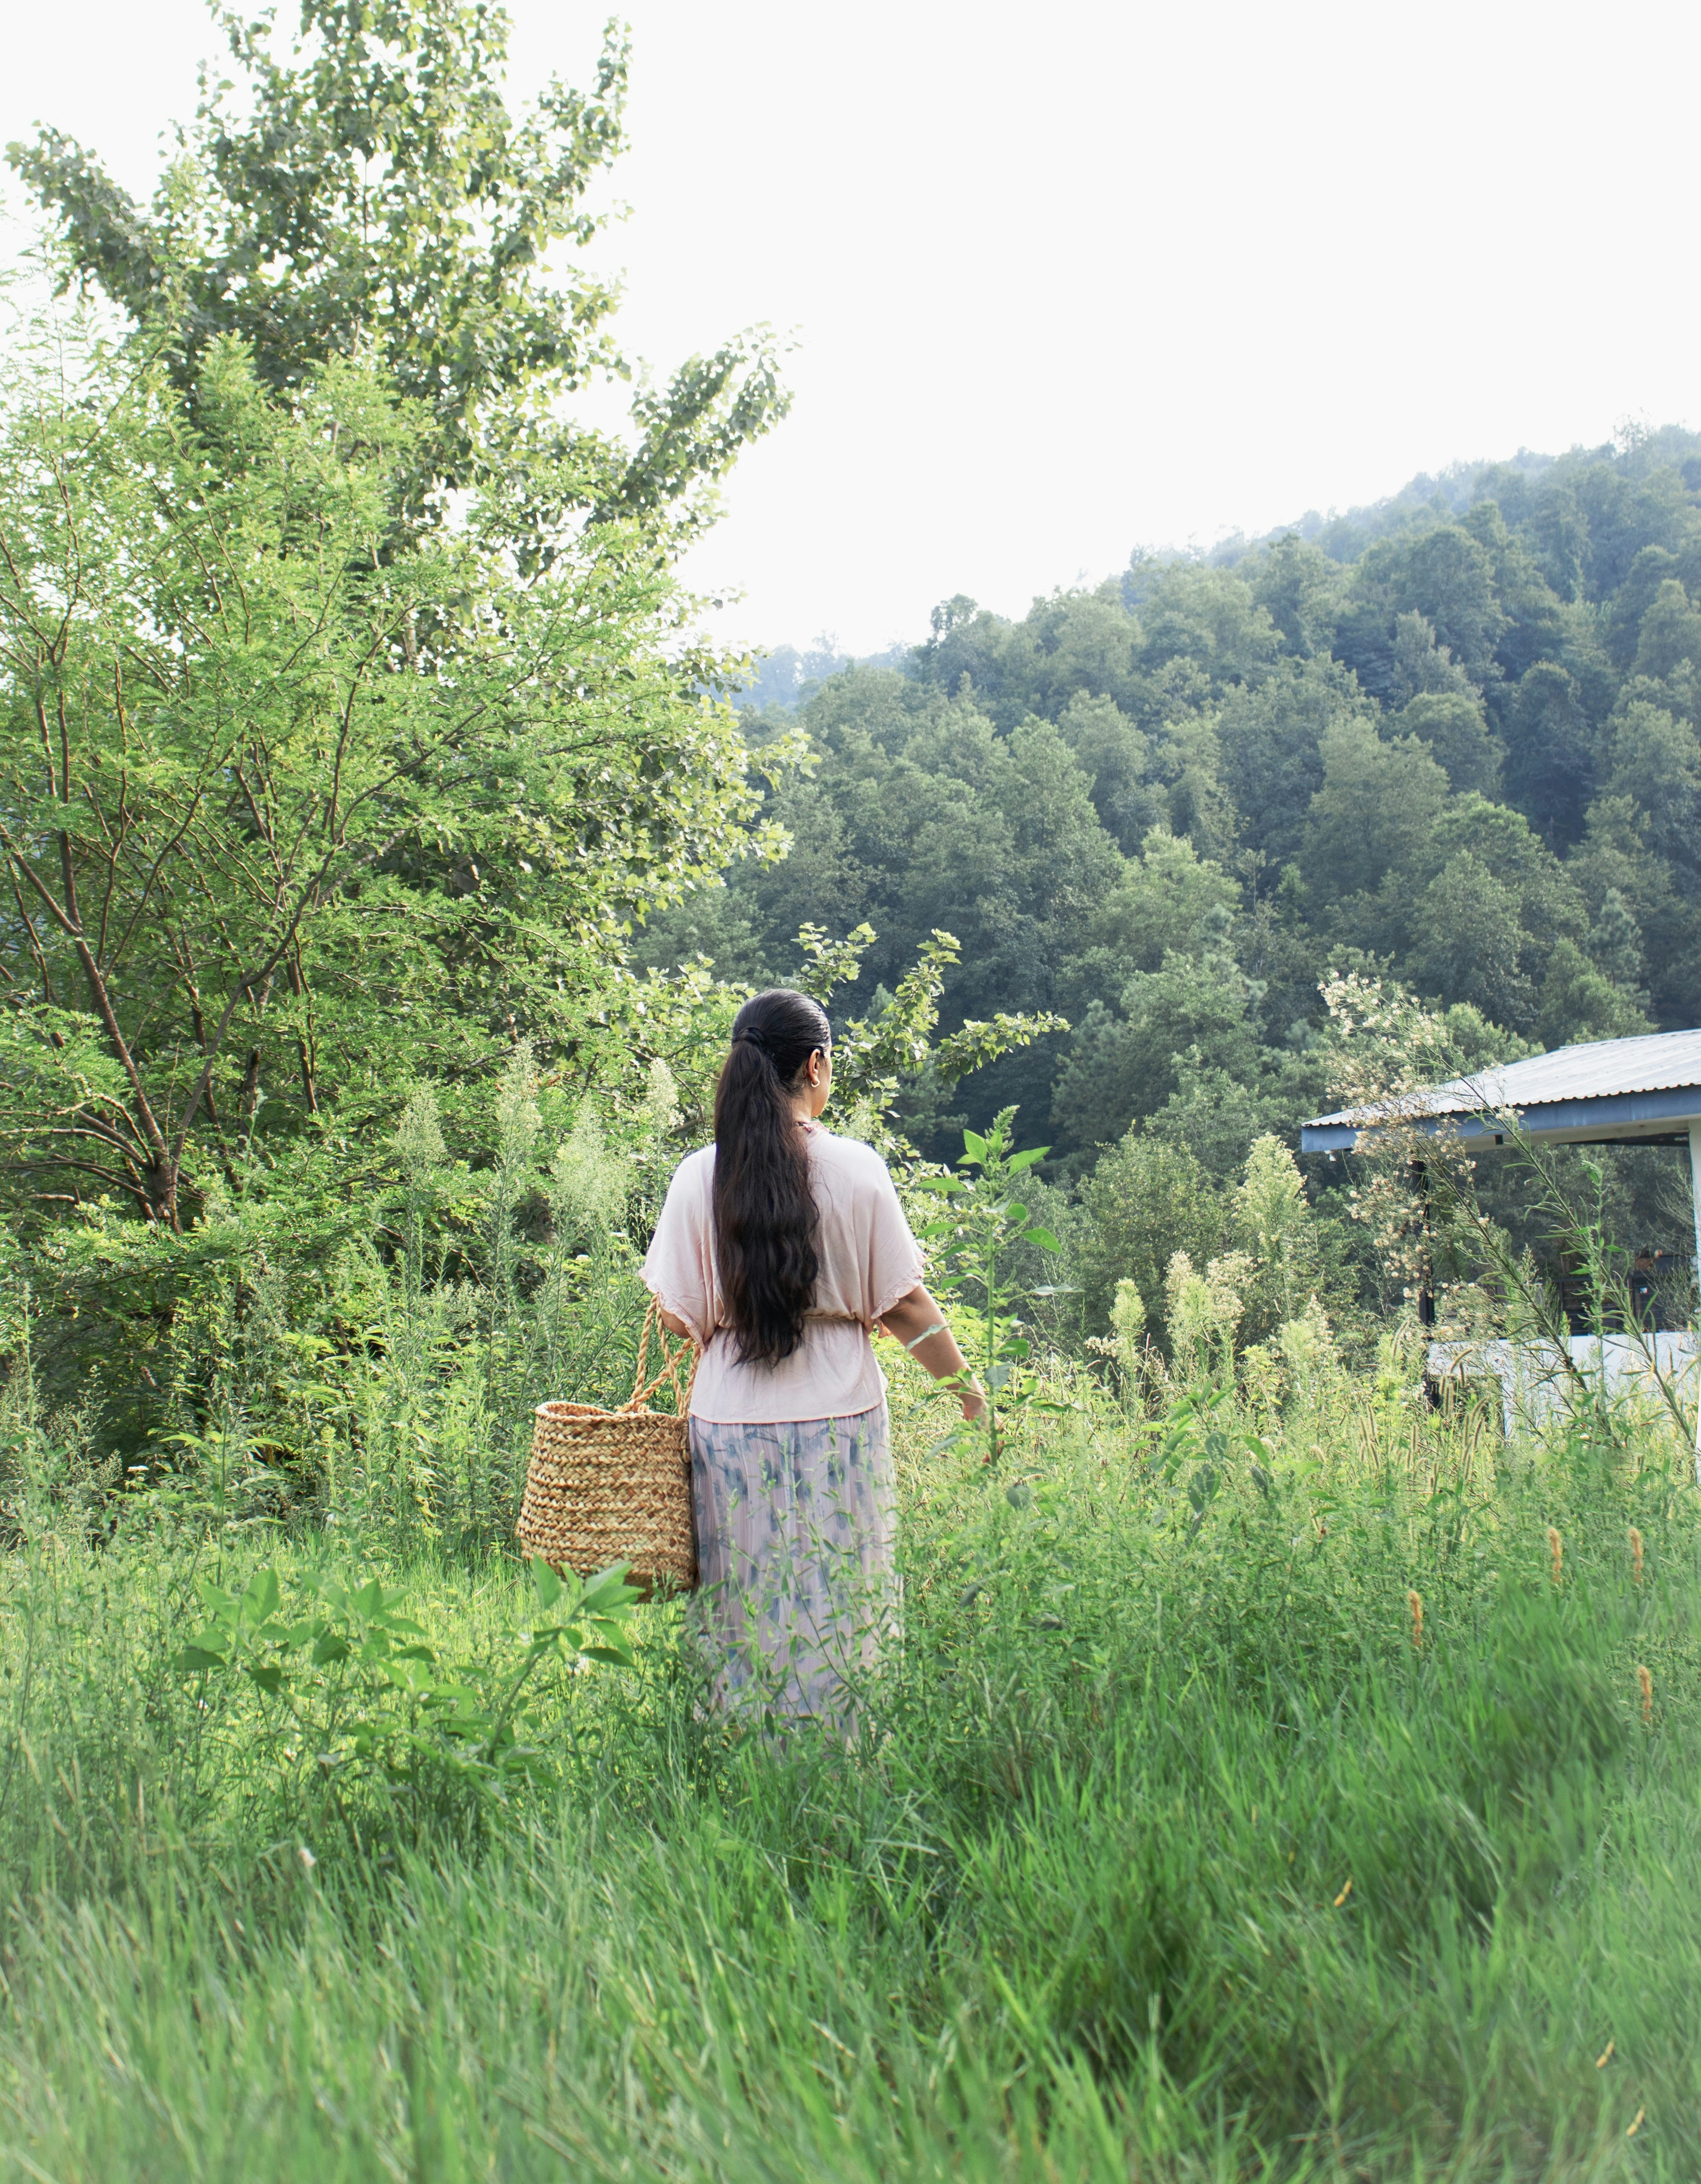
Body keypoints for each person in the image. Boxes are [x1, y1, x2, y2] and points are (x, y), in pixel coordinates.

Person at [642, 987, 981, 1727]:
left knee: (737, 1595)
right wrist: (970, 1396)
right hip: (839, 1414)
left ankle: (734, 1744)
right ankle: (843, 1750)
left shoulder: (698, 1174)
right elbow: (904, 1305)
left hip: (726, 1419)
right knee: (841, 1591)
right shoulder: (856, 1168)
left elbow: (675, 1315)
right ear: (816, 1066)